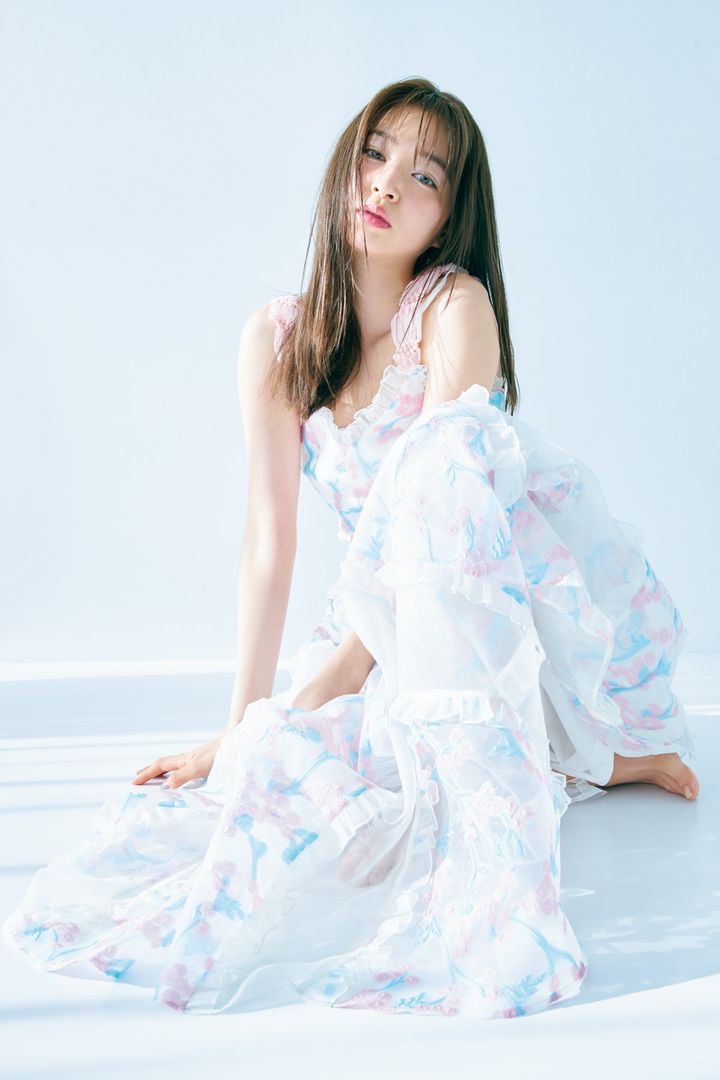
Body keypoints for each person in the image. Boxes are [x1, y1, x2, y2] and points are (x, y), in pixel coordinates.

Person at [3, 77, 699, 1019]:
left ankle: (600, 755)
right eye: (375, 153)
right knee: (298, 784)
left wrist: (330, 681)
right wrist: (244, 725)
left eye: (425, 176)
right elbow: (269, 538)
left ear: (450, 218)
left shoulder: (453, 308)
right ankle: (584, 759)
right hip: (375, 615)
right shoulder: (277, 337)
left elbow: (450, 526)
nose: (386, 183)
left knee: (416, 713)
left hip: (487, 600)